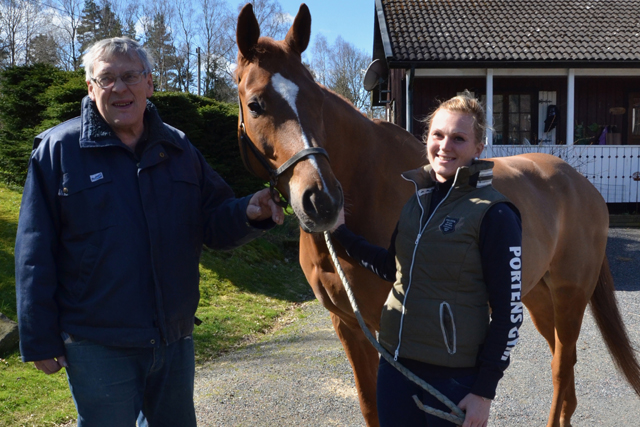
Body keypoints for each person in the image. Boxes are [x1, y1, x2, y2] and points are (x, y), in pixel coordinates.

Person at [14, 37, 284, 427]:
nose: (120, 88)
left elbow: (212, 220)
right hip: (97, 342)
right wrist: (39, 336)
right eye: (106, 79)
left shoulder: (178, 148)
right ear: (90, 88)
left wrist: (248, 211)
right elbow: (34, 249)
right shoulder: (58, 150)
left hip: (173, 338)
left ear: (150, 84)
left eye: (130, 76)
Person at [331, 93, 523, 427]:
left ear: (479, 148)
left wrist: (483, 392)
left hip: (452, 380)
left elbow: (510, 314)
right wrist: (341, 235)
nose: (445, 146)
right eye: (438, 135)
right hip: (394, 368)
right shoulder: (415, 203)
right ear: (427, 139)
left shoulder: (495, 213)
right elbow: (393, 268)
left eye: (459, 138)